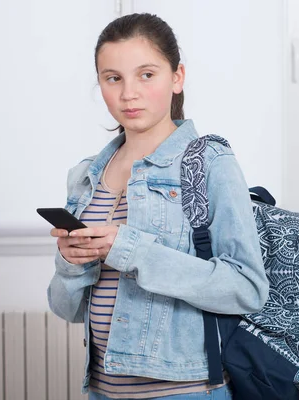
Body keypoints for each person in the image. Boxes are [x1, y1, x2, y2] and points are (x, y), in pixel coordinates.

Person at [47, 13, 269, 400]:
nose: (128, 93)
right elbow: (68, 310)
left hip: (185, 389)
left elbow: (246, 288)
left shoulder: (209, 164)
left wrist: (129, 250)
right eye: (113, 77)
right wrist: (71, 266)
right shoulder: (85, 177)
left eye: (146, 74)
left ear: (177, 77)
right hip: (102, 388)